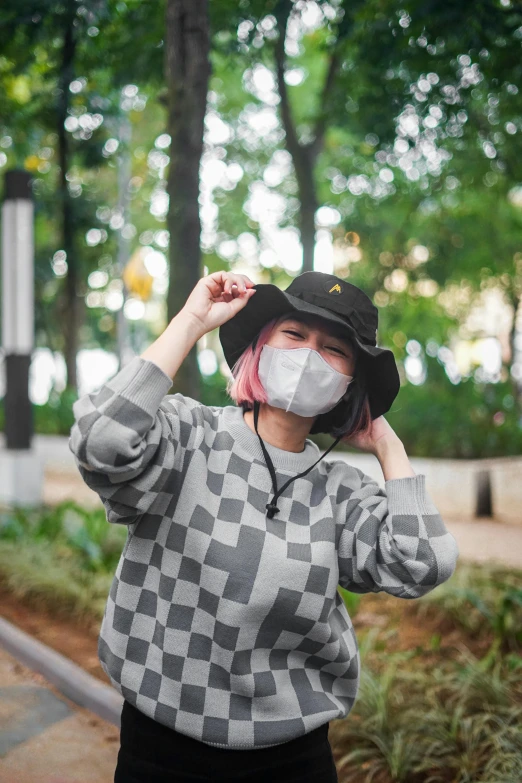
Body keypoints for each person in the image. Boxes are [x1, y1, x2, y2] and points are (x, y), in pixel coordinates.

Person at [69, 269, 459, 783]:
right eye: (294, 335)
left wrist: (389, 445)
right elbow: (100, 439)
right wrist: (190, 322)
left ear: (349, 384)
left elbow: (422, 563)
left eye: (334, 350)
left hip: (293, 759)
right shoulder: (189, 435)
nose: (308, 357)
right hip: (160, 748)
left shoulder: (339, 490)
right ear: (260, 345)